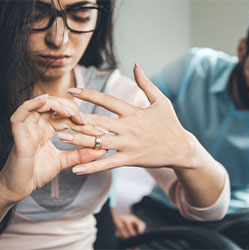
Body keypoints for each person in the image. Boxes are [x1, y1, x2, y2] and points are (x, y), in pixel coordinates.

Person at [0, 0, 230, 249]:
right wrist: (6, 192)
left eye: (80, 15)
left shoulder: (119, 96)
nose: (59, 39)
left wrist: (189, 152)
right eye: (36, 16)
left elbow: (208, 210)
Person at [126, 2, 249, 249]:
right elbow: (133, 112)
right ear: (242, 49)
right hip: (169, 208)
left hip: (241, 219)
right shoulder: (195, 68)